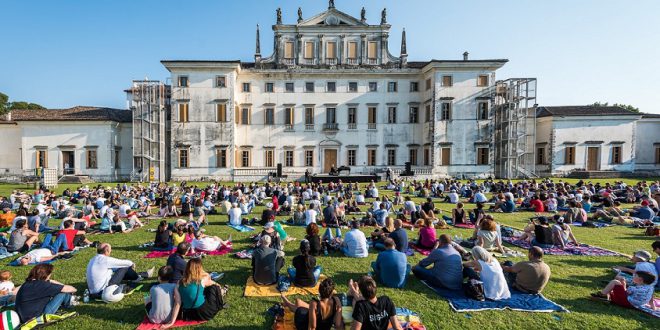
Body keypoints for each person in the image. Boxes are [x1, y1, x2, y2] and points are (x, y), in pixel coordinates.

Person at [86, 243, 153, 298]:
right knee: (124, 267)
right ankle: (137, 277)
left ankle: (140, 275)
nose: (110, 252)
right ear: (106, 251)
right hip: (104, 292)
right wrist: (132, 263)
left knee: (119, 268)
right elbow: (125, 263)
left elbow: (113, 268)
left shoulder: (92, 259)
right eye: (110, 250)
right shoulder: (105, 260)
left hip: (92, 292)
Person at [591, 271, 656, 310]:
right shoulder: (651, 288)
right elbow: (651, 299)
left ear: (640, 279)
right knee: (614, 288)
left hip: (628, 303)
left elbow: (625, 293)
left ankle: (603, 295)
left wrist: (623, 284)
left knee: (615, 282)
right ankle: (606, 295)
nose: (633, 277)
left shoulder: (633, 288)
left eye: (635, 276)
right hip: (636, 305)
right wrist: (653, 307)